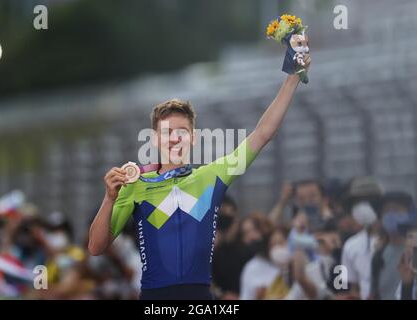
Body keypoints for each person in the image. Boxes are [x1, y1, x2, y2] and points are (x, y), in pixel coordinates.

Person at [88, 55, 312, 299]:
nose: (175, 138)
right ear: (154, 139)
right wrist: (109, 198)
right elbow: (96, 247)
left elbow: (262, 134)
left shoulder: (210, 176)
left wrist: (293, 77)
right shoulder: (135, 184)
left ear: (193, 138)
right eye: (167, 132)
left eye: (182, 132)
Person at [371, 192, 414, 299]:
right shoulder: (378, 256)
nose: (391, 215)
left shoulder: (414, 252)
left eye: (396, 210)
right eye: (387, 211)